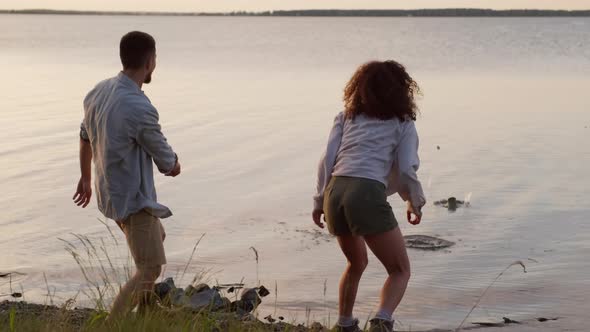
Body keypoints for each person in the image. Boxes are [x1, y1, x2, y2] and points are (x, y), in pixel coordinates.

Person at [72, 31, 181, 318]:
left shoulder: (98, 91)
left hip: (111, 191)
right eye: (155, 59)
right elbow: (167, 163)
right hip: (133, 199)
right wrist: (175, 164)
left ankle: (146, 308)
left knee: (158, 234)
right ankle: (113, 322)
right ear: (150, 62)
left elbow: (85, 136)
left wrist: (85, 177)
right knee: (151, 268)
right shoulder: (139, 107)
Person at [312, 60, 426, 332]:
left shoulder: (346, 117)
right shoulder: (403, 123)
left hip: (335, 191)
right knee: (400, 270)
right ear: (402, 91)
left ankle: (344, 323)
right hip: (365, 194)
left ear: (359, 88)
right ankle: (381, 321)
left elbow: (326, 160)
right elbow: (407, 165)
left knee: (356, 263)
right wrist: (415, 201)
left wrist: (319, 201)